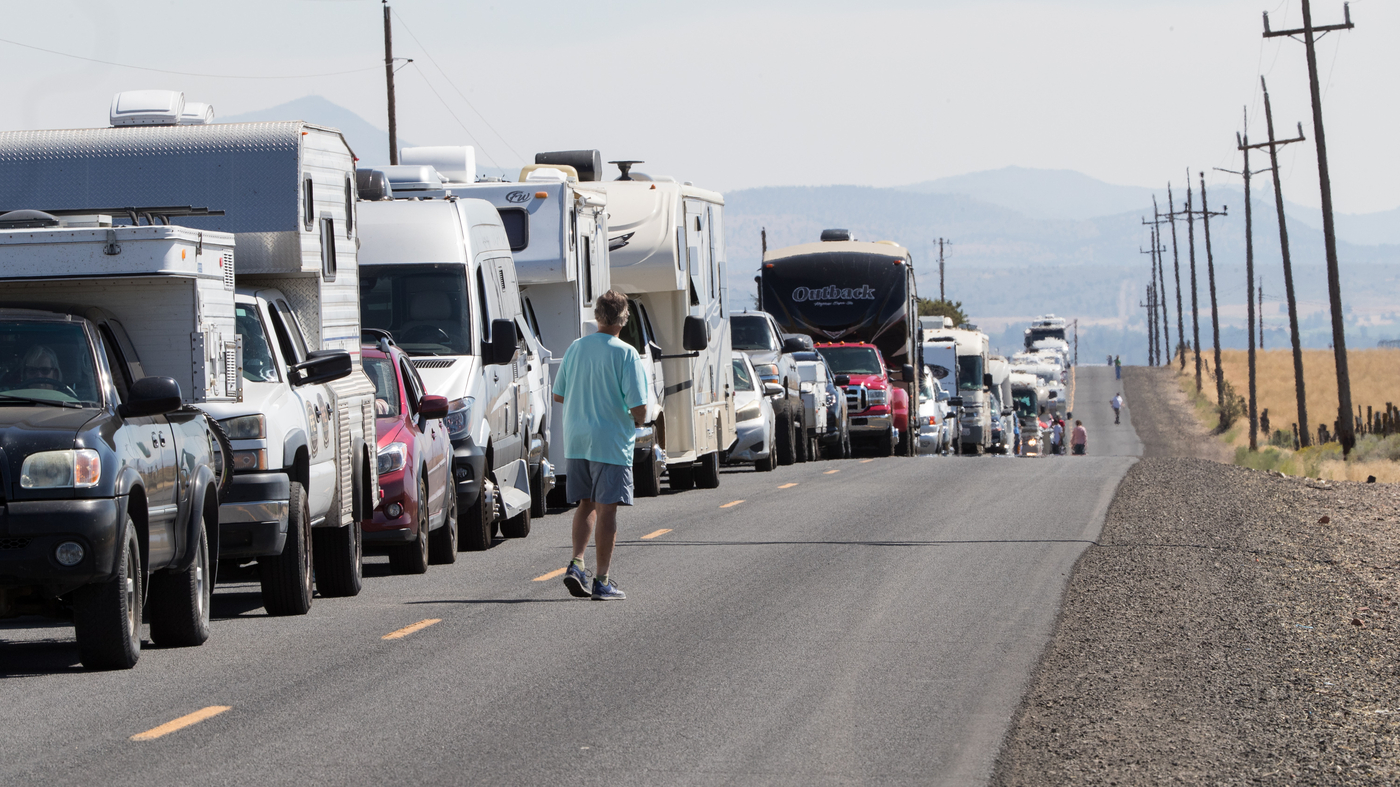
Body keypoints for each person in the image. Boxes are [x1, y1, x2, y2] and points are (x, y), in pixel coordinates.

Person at [554, 290, 649, 601]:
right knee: (608, 512)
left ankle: (577, 563)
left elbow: (559, 394)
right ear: (624, 319)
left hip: (577, 439)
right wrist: (639, 419)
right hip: (610, 441)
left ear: (596, 316)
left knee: (586, 504)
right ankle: (602, 580)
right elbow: (638, 406)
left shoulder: (575, 348)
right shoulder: (626, 354)